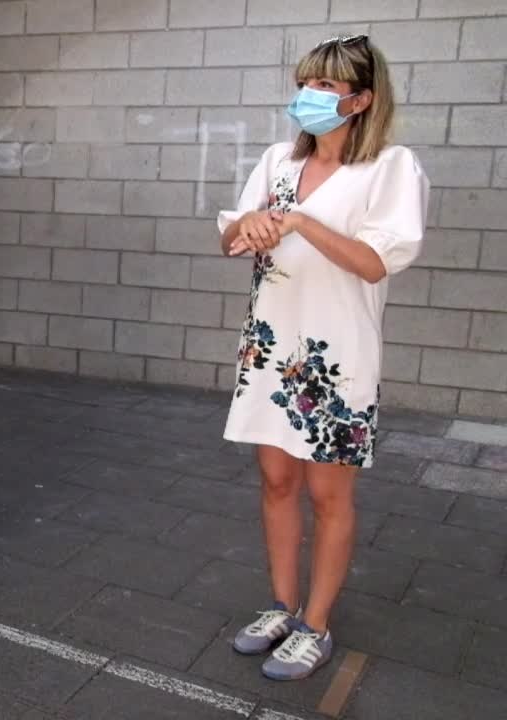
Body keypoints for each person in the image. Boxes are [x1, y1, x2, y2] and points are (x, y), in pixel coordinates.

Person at [218, 36, 428, 681]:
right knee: (277, 483)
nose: (308, 96)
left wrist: (300, 221)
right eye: (305, 82)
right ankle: (282, 605)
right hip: (271, 348)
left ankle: (316, 623)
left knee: (328, 496)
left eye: (326, 87)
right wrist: (247, 225)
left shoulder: (391, 167)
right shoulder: (278, 159)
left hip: (336, 359)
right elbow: (231, 236)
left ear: (361, 99)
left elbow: (374, 261)